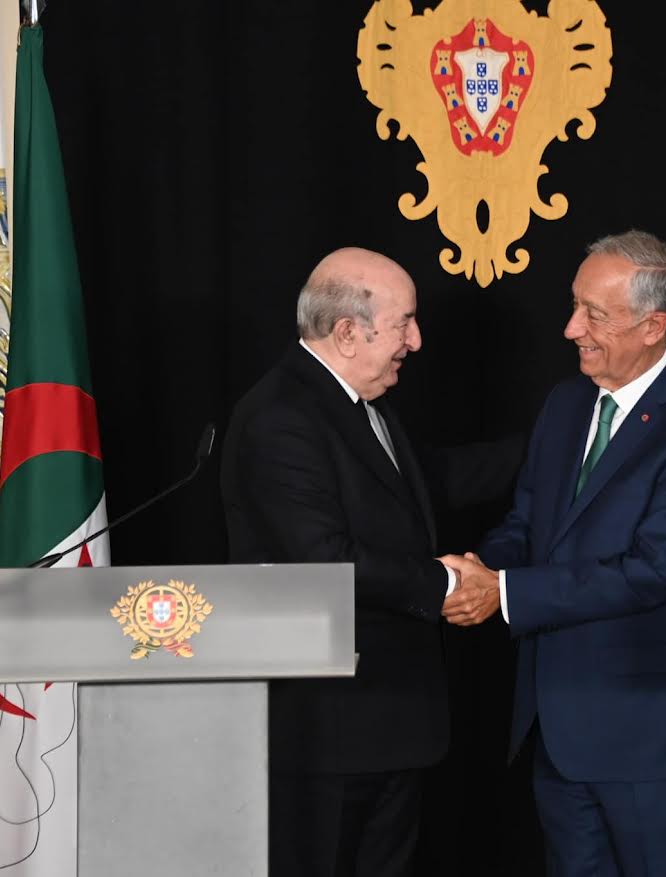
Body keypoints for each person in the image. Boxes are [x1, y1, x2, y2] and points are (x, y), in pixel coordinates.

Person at [442, 230, 666, 877]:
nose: (571, 328)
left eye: (594, 314)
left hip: (654, 744)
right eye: (575, 305)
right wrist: (479, 572)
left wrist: (504, 592)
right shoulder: (565, 403)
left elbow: (655, 571)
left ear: (653, 326)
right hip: (559, 732)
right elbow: (528, 523)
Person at [221, 247, 515, 877]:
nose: (417, 340)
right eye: (404, 322)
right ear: (349, 333)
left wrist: (559, 446)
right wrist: (448, 582)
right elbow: (322, 559)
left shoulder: (355, 403)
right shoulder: (280, 417)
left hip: (385, 727)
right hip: (330, 734)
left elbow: (429, 482)